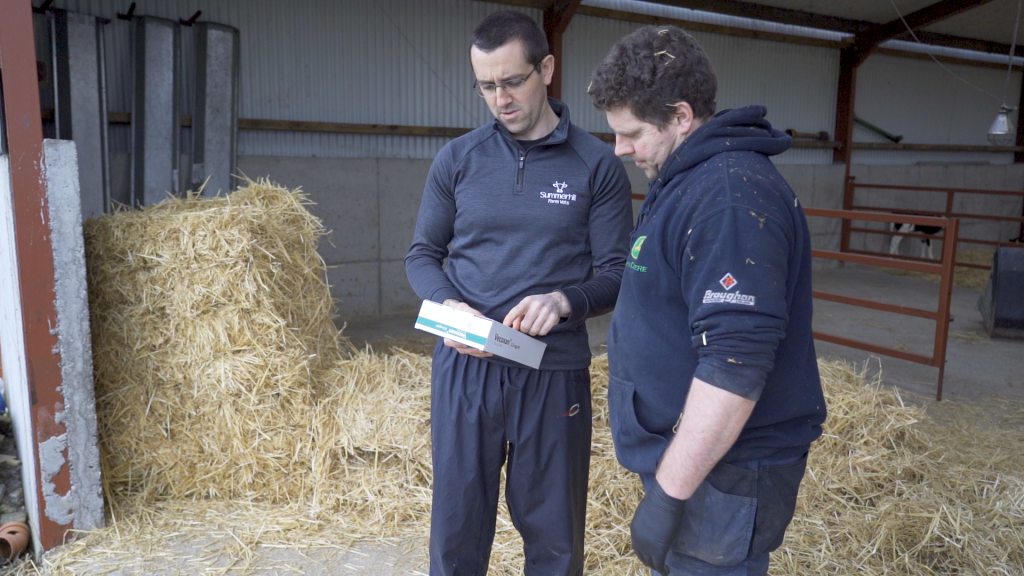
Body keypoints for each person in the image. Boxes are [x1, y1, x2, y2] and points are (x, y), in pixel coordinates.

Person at [587, 25, 828, 576]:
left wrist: (670, 494)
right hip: (696, 461)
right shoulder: (685, 179)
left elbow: (734, 364)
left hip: (723, 473)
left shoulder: (727, 199)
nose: (620, 148)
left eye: (631, 133)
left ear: (681, 116)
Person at [405, 10, 633, 576]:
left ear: (547, 68)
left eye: (512, 81)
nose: (500, 98)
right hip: (464, 367)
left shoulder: (596, 165)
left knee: (554, 534)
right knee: (457, 528)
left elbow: (616, 273)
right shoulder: (458, 160)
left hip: (551, 371)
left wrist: (562, 302)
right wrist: (447, 305)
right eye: (486, 85)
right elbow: (422, 256)